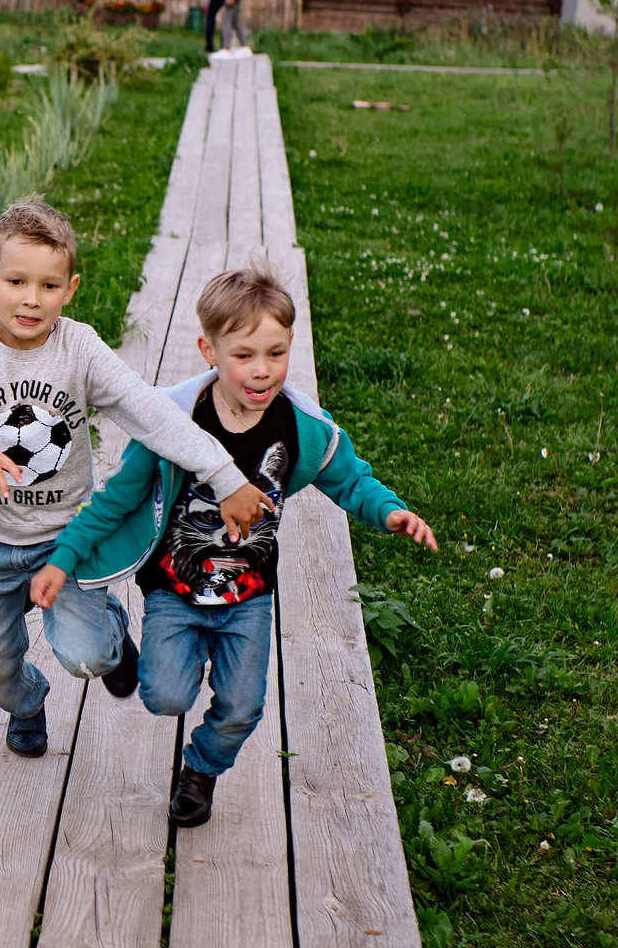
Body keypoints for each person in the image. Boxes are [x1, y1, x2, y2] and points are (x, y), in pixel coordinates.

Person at [33, 266, 437, 826]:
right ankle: (126, 645)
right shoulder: (173, 423)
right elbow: (114, 499)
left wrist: (390, 511)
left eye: (275, 353)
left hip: (248, 595)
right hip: (175, 587)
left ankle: (200, 771)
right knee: (164, 696)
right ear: (209, 350)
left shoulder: (303, 430)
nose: (262, 370)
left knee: (243, 706)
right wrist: (65, 558)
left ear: (291, 345)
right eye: (244, 355)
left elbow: (349, 479)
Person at [0, 202, 274, 760]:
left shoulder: (79, 348)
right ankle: (28, 705)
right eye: (16, 281)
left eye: (48, 285)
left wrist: (223, 474)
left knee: (89, 657)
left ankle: (109, 632)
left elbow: (150, 411)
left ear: (69, 289)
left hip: (66, 543)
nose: (31, 298)